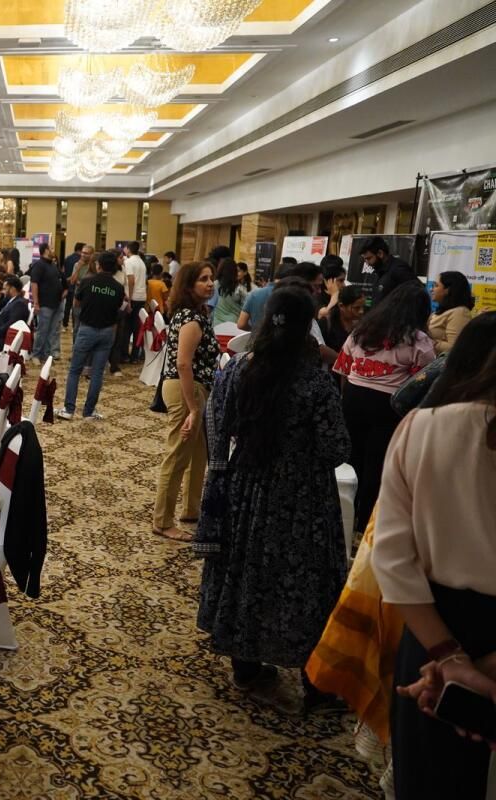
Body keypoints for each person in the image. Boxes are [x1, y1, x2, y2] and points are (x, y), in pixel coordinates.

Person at [196, 286, 351, 707]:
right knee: (302, 582)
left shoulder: (239, 369)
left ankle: (245, 668)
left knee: (247, 573)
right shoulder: (315, 382)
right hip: (301, 499)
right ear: (307, 328)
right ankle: (315, 682)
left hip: (245, 489)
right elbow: (336, 448)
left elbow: (219, 422)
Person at [372, 343, 496, 799]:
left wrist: (450, 659)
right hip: (448, 627)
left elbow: (391, 557)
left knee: (430, 776)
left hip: (431, 626)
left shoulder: (422, 427)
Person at [333, 281, 435, 532]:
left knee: (350, 460)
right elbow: (422, 383)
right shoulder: (418, 340)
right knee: (377, 466)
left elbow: (343, 369)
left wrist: (346, 399)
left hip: (353, 397)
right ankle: (364, 526)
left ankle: (342, 519)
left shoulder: (362, 330)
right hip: (388, 406)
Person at [152, 262, 219, 542]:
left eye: (211, 278)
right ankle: (162, 521)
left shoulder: (197, 314)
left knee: (198, 452)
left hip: (195, 388)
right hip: (185, 389)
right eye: (203, 279)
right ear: (189, 286)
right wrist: (193, 407)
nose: (210, 283)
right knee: (178, 454)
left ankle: (191, 509)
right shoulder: (191, 318)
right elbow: (183, 363)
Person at [60, 250, 125, 421]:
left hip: (87, 329)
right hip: (107, 332)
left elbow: (76, 303)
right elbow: (118, 308)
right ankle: (88, 412)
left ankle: (68, 410)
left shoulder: (88, 282)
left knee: (75, 370)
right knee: (97, 373)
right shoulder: (118, 288)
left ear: (98, 265)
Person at [29, 244, 65, 363]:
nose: (53, 250)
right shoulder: (39, 265)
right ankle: (36, 354)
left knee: (52, 331)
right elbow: (34, 284)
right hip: (45, 303)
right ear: (45, 251)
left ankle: (46, 354)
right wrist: (36, 303)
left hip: (56, 303)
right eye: (51, 248)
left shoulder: (53, 265)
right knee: (42, 331)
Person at [359, 236, 417, 307]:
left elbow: (416, 295)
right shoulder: (379, 271)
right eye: (365, 259)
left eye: (369, 258)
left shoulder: (399, 269)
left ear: (380, 253)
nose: (367, 263)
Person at [428, 271, 474, 354]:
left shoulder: (460, 313)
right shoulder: (442, 310)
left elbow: (455, 347)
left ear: (448, 290)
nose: (431, 289)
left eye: (436, 285)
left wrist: (427, 342)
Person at [319, 284, 366, 354]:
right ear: (341, 306)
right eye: (357, 308)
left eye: (363, 307)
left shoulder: (362, 325)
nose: (361, 311)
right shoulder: (326, 323)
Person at [0, 275, 30, 350]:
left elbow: (11, 324)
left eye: (5, 289)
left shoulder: (19, 304)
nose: (3, 292)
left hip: (0, 339)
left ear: (12, 289)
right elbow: (0, 318)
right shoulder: (11, 300)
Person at [123, 241, 148, 361]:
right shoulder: (141, 262)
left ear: (128, 249)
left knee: (126, 328)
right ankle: (134, 355)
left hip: (133, 297)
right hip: (142, 297)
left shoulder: (129, 261)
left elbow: (131, 280)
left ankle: (125, 355)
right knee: (137, 327)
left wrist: (129, 299)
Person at [211, 258, 248, 327]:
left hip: (216, 324)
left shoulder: (214, 285)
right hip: (234, 324)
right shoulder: (241, 289)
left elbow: (209, 306)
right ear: (234, 271)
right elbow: (246, 308)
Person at [61, 242, 84, 329]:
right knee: (76, 307)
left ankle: (64, 324)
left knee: (67, 306)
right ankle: (75, 326)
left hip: (67, 285)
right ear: (80, 249)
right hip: (76, 286)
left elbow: (63, 271)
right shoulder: (80, 261)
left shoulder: (67, 258)